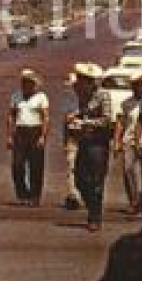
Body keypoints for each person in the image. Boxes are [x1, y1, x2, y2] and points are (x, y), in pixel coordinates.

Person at [69, 62, 115, 232]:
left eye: (82, 80)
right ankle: (92, 207)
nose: (79, 84)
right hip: (85, 141)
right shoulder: (83, 96)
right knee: (80, 179)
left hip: (98, 143)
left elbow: (107, 120)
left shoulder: (103, 96)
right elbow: (83, 112)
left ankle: (95, 216)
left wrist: (85, 122)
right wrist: (76, 117)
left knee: (96, 181)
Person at [7, 69, 50, 206]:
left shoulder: (41, 97)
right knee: (17, 165)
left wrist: (43, 136)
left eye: (28, 82)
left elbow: (45, 118)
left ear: (34, 84)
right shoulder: (16, 96)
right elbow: (11, 116)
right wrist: (9, 135)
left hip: (35, 131)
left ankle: (35, 196)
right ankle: (22, 193)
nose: (25, 85)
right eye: (23, 82)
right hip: (20, 132)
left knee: (36, 166)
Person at [117, 75, 142, 214]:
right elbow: (121, 123)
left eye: (140, 85)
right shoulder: (126, 103)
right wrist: (117, 141)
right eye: (135, 85)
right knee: (128, 170)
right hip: (129, 140)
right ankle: (134, 201)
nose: (138, 88)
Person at [59, 71, 83, 212]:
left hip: (87, 137)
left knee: (86, 169)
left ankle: (86, 194)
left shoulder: (93, 98)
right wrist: (65, 140)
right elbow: (65, 121)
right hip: (73, 137)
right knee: (71, 167)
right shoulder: (69, 99)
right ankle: (74, 195)